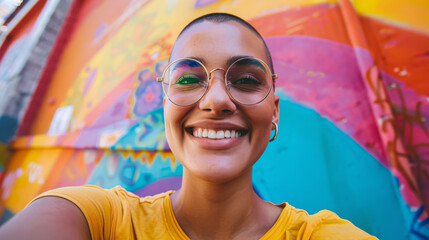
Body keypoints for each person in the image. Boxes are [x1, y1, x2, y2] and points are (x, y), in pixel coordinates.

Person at [0, 13, 378, 240]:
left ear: (274, 111)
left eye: (246, 80)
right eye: (187, 80)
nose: (216, 101)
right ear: (165, 106)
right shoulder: (100, 219)